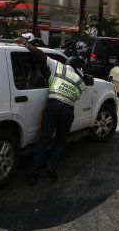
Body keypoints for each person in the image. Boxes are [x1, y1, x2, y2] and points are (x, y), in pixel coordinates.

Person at [16, 37, 91, 185]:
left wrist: (25, 43)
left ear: (66, 63)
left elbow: (39, 55)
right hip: (68, 110)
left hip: (53, 105)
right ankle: (51, 166)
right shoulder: (79, 81)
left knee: (44, 140)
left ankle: (34, 175)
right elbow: (78, 95)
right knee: (60, 141)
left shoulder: (58, 66)